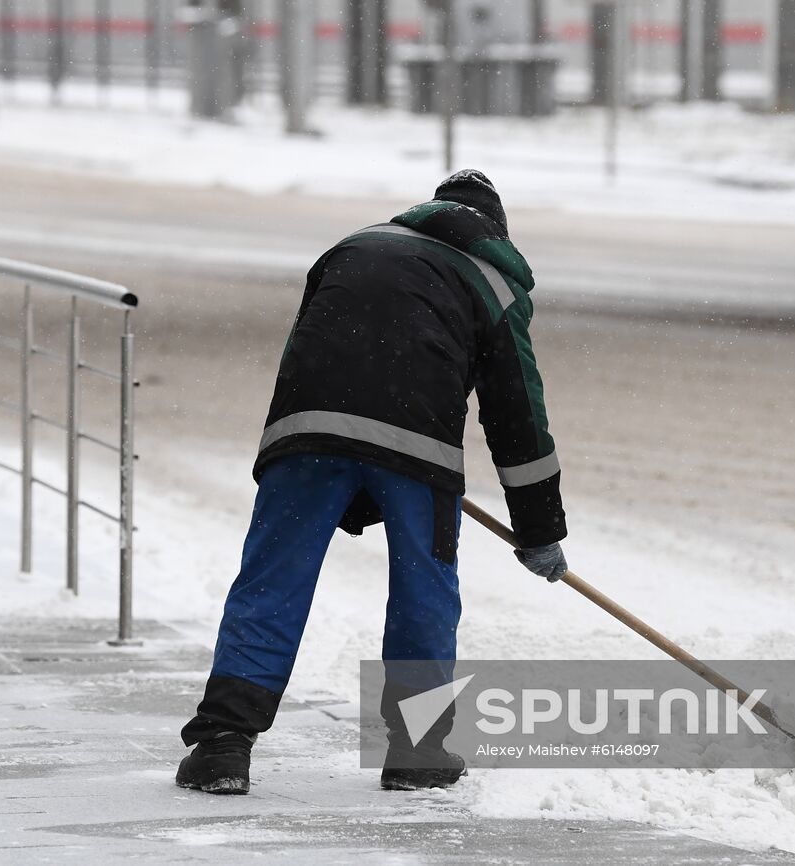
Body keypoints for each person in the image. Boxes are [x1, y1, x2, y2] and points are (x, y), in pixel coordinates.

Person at [177, 170, 568, 794]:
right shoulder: (494, 282)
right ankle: (417, 752)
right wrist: (539, 527)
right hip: (416, 445)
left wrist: (319, 451)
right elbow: (517, 411)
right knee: (424, 591)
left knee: (272, 579)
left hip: (304, 428)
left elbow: (311, 345)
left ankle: (222, 745)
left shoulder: (354, 246)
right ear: (495, 232)